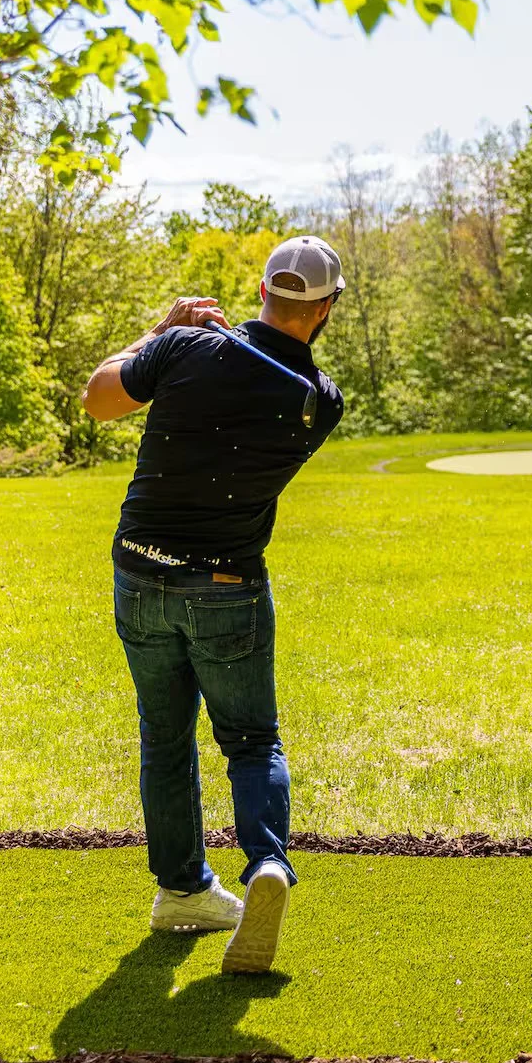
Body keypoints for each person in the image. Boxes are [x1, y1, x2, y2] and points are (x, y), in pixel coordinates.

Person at [81, 235, 345, 973]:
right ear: (324, 309)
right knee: (252, 741)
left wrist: (161, 331)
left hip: (140, 571)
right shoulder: (319, 403)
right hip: (229, 586)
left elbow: (98, 399)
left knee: (164, 739)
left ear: (262, 292)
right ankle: (264, 863)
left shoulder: (185, 347)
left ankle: (182, 891)